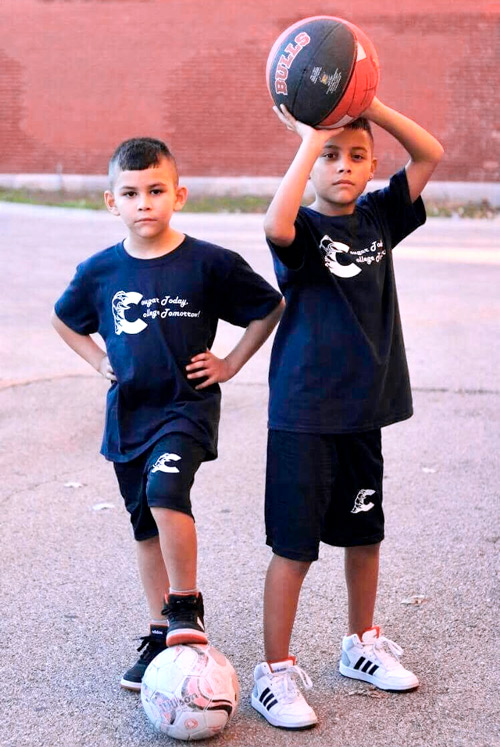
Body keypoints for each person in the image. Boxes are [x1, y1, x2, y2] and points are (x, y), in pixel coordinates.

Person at [52, 137, 284, 691]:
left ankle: (185, 604)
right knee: (143, 527)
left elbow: (269, 305)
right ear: (112, 202)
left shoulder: (208, 263)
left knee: (165, 493)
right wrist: (97, 360)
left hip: (186, 409)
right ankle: (160, 634)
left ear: (178, 194)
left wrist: (229, 362)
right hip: (129, 414)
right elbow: (65, 320)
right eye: (130, 193)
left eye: (156, 191)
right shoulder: (99, 272)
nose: (144, 203)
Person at [251, 99, 444, 729]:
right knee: (296, 547)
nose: (342, 166)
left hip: (363, 411)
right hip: (304, 414)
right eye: (330, 157)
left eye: (355, 156)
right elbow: (273, 225)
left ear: (371, 168)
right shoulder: (303, 229)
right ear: (308, 168)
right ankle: (274, 672)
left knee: (365, 534)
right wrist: (314, 136)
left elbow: (430, 154)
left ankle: (361, 643)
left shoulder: (381, 217)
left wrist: (372, 107)